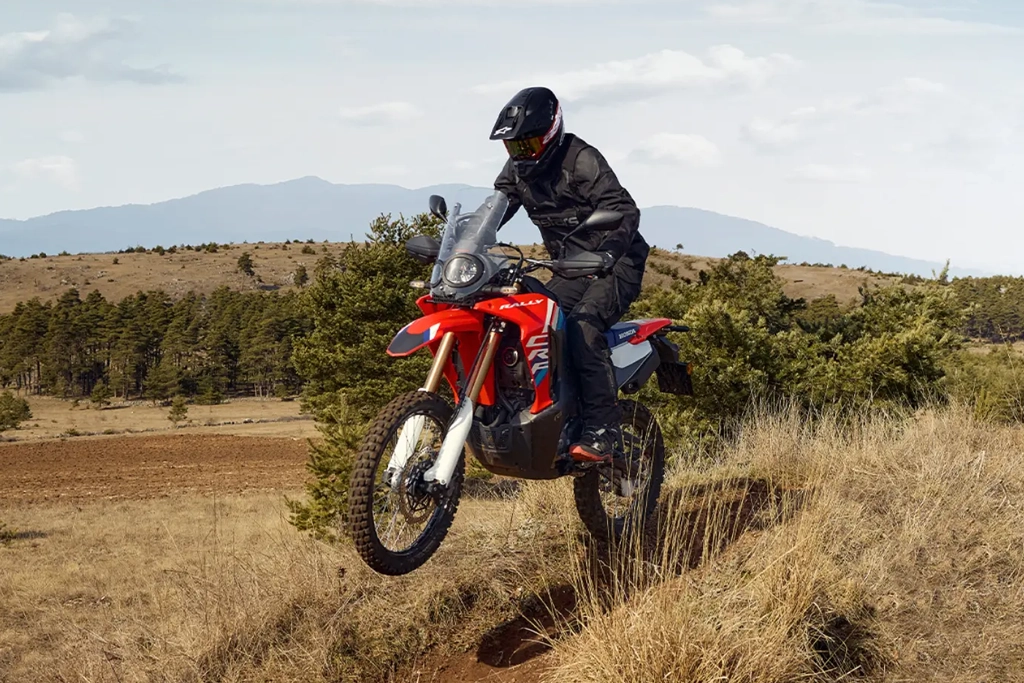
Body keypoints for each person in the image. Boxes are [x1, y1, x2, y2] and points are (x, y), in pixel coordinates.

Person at [490, 86, 650, 463]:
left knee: (582, 327)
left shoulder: (581, 160)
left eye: (527, 145)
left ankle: (603, 428)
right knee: (531, 320)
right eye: (513, 147)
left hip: (615, 261)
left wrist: (608, 253)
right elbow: (495, 208)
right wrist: (467, 244)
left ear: (550, 133)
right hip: (567, 265)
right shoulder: (517, 169)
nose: (520, 154)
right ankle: (547, 412)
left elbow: (623, 209)